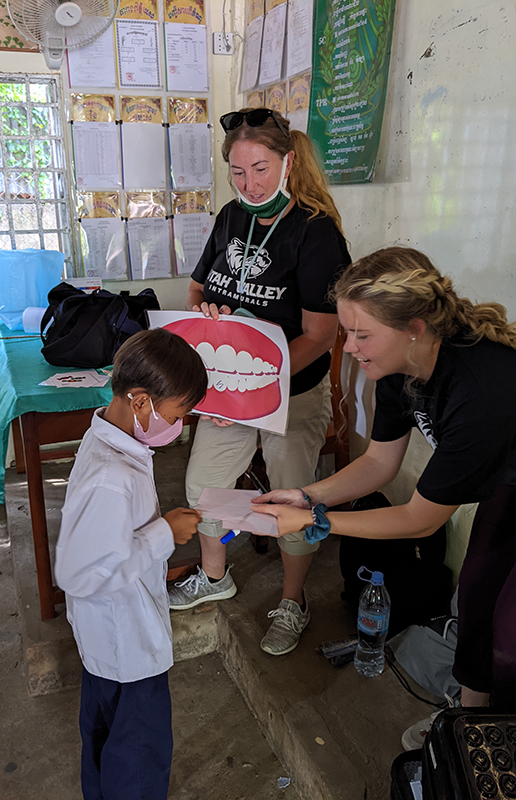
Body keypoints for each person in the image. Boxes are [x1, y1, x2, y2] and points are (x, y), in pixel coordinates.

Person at [252, 246, 516, 710]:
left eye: (360, 335)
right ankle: (467, 721)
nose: (348, 347)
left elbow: (420, 520)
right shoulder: (399, 367)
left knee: (510, 635)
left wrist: (320, 520)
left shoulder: (479, 389)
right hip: (507, 480)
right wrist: (305, 494)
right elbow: (379, 463)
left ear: (414, 329)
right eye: (347, 332)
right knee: (476, 595)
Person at [168, 107, 351, 657]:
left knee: (291, 501)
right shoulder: (229, 217)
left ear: (288, 162)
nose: (250, 183)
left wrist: (251, 388)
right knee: (204, 486)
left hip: (291, 393)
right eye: (239, 171)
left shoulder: (317, 234)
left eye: (262, 169)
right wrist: (211, 315)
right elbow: (197, 290)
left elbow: (321, 336)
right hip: (229, 392)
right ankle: (215, 573)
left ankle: (293, 601)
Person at [54, 329, 208, 800]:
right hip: (127, 647)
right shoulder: (111, 476)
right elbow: (79, 573)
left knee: (105, 745)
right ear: (140, 401)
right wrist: (166, 533)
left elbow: (106, 541)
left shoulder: (109, 439)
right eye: (177, 413)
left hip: (109, 643)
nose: (180, 424)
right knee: (138, 758)